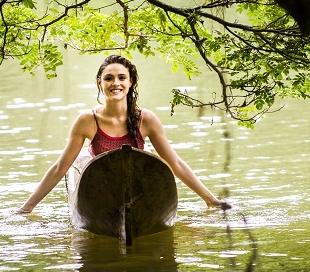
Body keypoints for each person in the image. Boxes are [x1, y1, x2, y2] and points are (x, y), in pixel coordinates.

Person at [17, 54, 229, 213]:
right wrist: (27, 208)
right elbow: (59, 167)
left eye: (121, 78)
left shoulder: (147, 119)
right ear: (100, 83)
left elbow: (175, 164)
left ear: (130, 82)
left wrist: (210, 200)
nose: (115, 83)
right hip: (102, 192)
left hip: (137, 192)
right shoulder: (86, 121)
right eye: (109, 78)